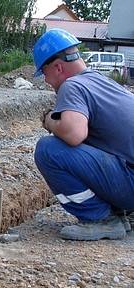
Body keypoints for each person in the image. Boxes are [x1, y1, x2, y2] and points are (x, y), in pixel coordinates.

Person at [32, 28, 134, 241]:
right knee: (92, 145)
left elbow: (74, 133)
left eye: (45, 73)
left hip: (130, 183)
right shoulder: (102, 82)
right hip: (129, 177)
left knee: (48, 149)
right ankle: (118, 214)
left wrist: (50, 120)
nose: (46, 81)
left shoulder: (73, 85)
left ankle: (100, 219)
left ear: (58, 67)